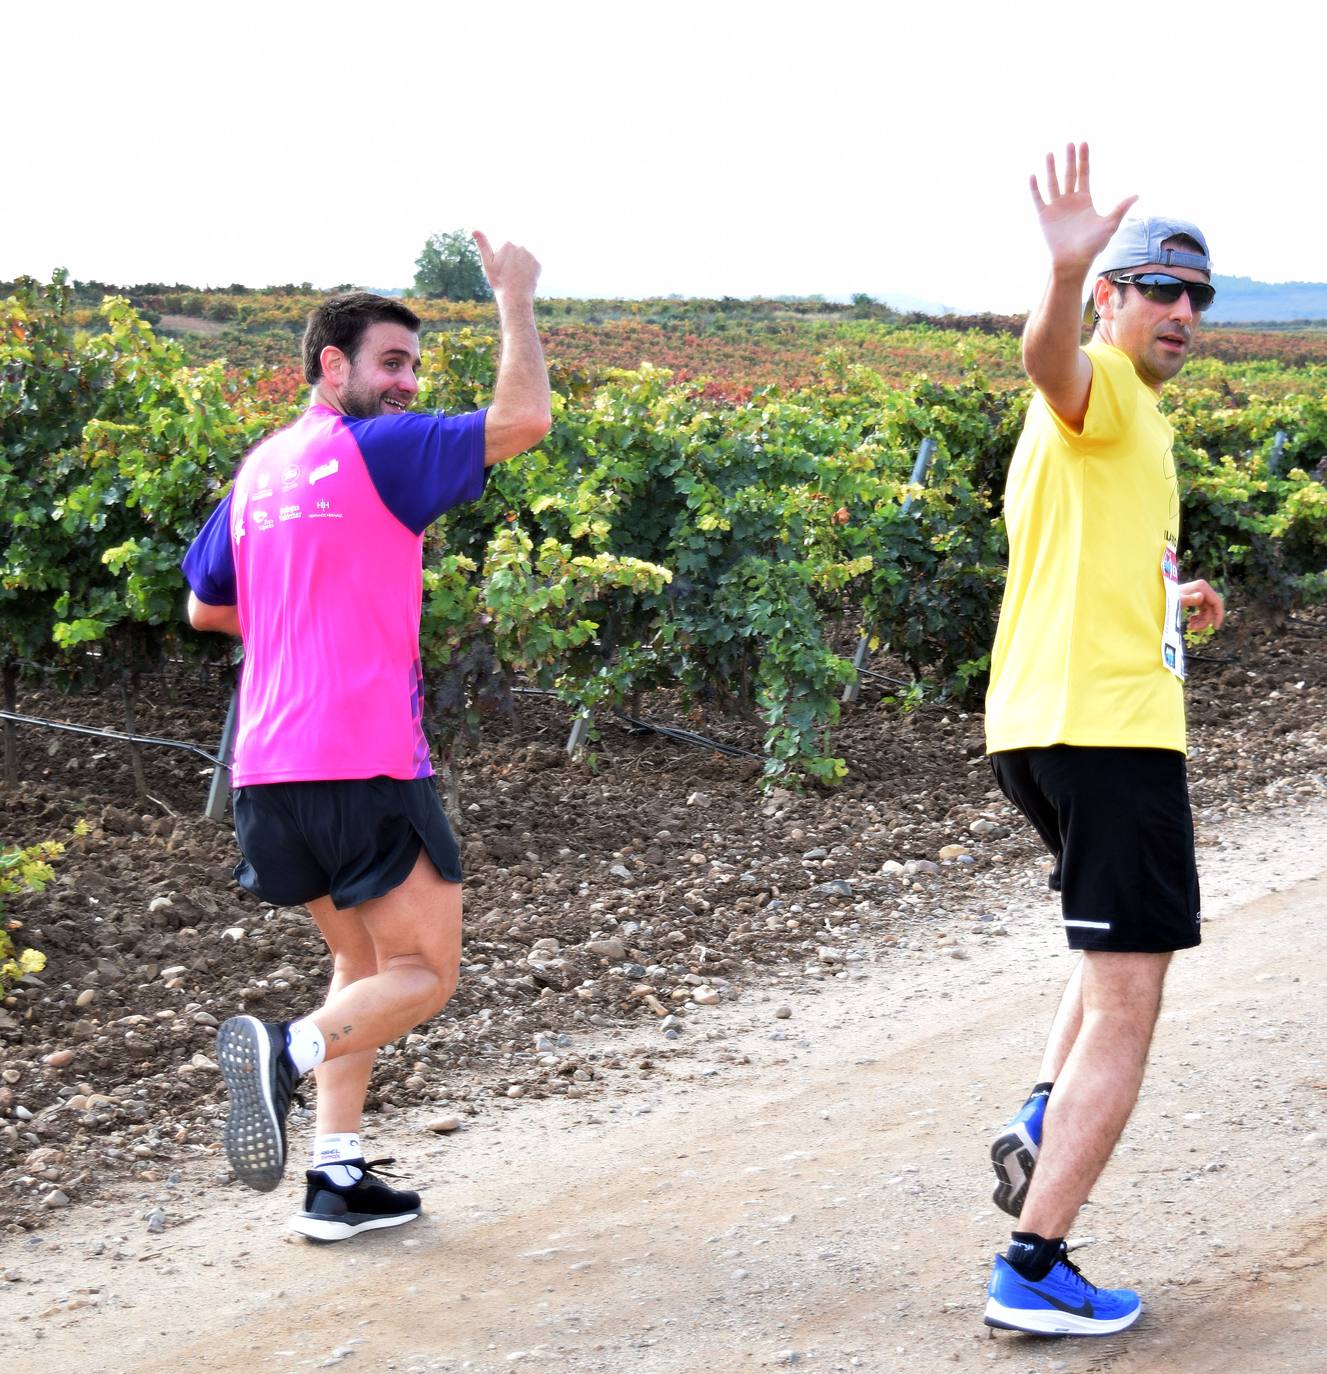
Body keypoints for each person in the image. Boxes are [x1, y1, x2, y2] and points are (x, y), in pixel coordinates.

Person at [182, 233, 550, 1241]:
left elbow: (204, 607)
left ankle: (335, 1180)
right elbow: (524, 418)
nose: (408, 385)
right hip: (362, 756)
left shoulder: (261, 472)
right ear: (329, 366)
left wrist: (309, 614)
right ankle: (285, 1055)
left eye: (415, 369)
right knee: (424, 975)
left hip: (267, 773)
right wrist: (513, 297)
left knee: (362, 969)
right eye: (391, 363)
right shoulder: (377, 450)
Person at [981, 144, 1225, 1336]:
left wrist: (1171, 607)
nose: (1181, 310)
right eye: (1157, 287)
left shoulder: (1122, 430)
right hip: (1109, 739)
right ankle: (1032, 1268)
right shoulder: (1098, 389)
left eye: (1198, 294)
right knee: (1130, 1003)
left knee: (1101, 957)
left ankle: (1040, 1113)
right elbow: (1046, 359)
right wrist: (1062, 266)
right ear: (1110, 301)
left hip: (1047, 725)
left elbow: (1093, 558)